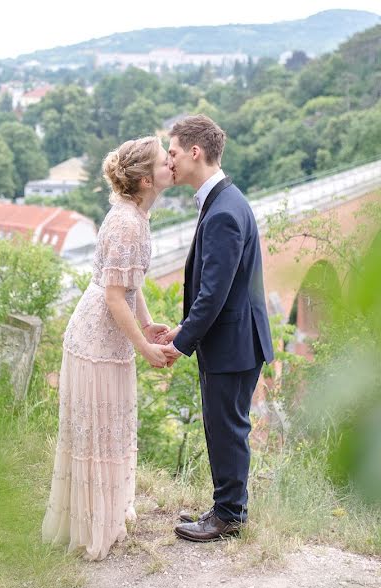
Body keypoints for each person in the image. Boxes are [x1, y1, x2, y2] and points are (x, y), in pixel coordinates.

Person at [42, 136, 174, 560]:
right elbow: (114, 296)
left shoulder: (137, 215)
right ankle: (91, 525)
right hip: (96, 342)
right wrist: (143, 347)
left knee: (110, 432)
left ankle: (108, 511)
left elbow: (129, 284)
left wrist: (149, 323)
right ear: (142, 179)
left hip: (110, 338)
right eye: (162, 161)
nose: (171, 163)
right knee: (97, 436)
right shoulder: (125, 223)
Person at [161, 115, 275, 542]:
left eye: (172, 153)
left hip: (233, 343)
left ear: (195, 152)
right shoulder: (223, 201)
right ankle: (228, 507)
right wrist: (184, 329)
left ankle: (229, 517)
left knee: (226, 428)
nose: (168, 161)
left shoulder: (224, 212)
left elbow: (213, 294)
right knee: (225, 425)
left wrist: (181, 341)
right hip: (233, 339)